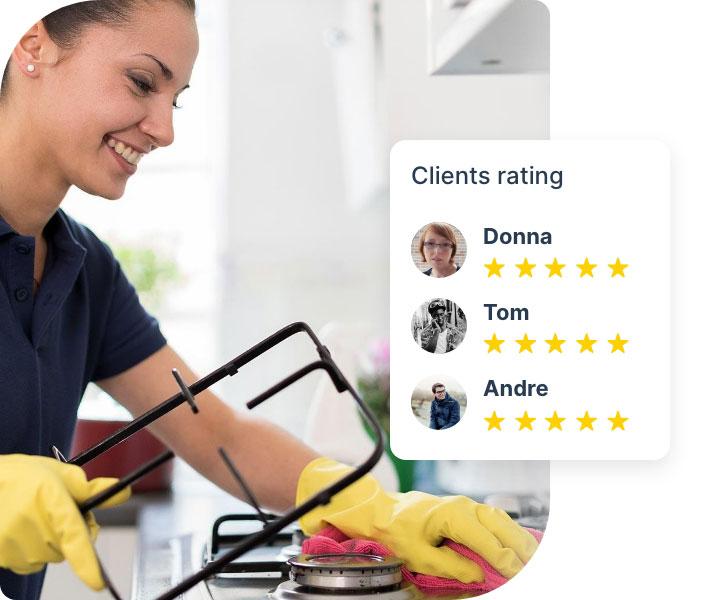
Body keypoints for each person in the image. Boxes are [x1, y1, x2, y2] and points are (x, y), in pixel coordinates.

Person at [0, 3, 537, 599]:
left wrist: (375, 506)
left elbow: (215, 433)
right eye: (142, 82)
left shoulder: (84, 269)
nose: (165, 128)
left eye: (174, 99)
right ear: (35, 47)